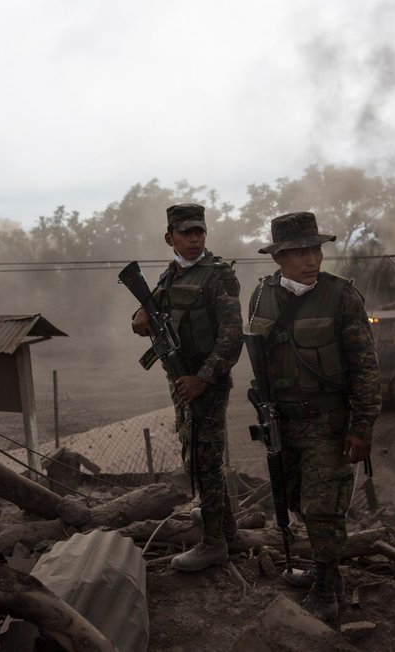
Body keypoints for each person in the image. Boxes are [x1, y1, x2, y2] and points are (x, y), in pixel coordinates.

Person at [246, 211, 381, 623]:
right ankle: (328, 574)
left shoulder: (341, 296)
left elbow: (366, 367)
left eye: (315, 250)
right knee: (296, 500)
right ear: (279, 258)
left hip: (328, 423)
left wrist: (362, 426)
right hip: (283, 422)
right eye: (299, 252)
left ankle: (326, 590)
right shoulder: (261, 296)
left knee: (325, 508)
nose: (311, 259)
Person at [131, 203, 244, 572]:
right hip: (180, 380)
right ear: (170, 238)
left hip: (205, 383)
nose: (194, 239)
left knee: (205, 459)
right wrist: (139, 316)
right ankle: (229, 534)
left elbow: (231, 338)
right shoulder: (171, 274)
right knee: (194, 453)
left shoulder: (218, 276)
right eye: (186, 233)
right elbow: (153, 310)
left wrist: (203, 379)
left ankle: (214, 545)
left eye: (199, 232)